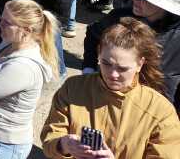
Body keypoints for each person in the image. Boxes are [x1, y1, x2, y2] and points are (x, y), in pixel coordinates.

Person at [41, 18, 180, 158]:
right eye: (106, 63)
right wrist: (63, 145)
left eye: (122, 68)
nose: (113, 74)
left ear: (140, 64)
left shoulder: (160, 112)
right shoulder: (73, 88)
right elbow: (50, 138)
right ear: (99, 54)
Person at [0, 0, 58, 159]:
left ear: (26, 30)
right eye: (1, 18)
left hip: (2, 145)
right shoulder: (9, 43)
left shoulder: (23, 67)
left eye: (7, 22)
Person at [83, 0, 180, 109]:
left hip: (156, 108)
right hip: (111, 98)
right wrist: (88, 69)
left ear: (161, 4)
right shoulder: (120, 17)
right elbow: (93, 35)